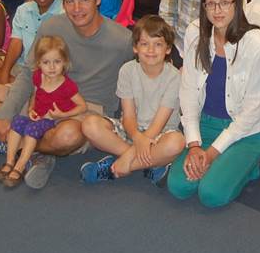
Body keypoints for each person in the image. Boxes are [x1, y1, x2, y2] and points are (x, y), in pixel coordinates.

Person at [0, 0, 135, 189]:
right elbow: (29, 73)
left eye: (84, 0)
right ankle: (38, 154)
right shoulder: (51, 27)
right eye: (69, 1)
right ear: (63, 2)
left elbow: (141, 81)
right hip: (43, 101)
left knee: (67, 136)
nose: (77, 9)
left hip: (85, 112)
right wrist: (5, 114)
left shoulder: (123, 40)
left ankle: (17, 145)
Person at [168, 0, 260, 208]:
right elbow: (189, 94)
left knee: (211, 195)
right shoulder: (196, 33)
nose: (217, 10)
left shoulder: (255, 43)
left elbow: (252, 112)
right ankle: (228, 164)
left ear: (237, 4)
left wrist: (212, 154)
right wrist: (194, 145)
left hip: (247, 132)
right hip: (206, 124)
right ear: (204, 6)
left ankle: (249, 165)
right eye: (211, 3)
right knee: (179, 187)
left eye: (225, 2)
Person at [79, 15, 185, 185]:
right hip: (132, 130)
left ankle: (115, 169)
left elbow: (159, 124)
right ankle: (150, 164)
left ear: (167, 49)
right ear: (135, 47)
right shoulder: (127, 71)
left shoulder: (174, 77)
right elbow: (128, 115)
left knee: (176, 143)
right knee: (89, 124)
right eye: (144, 44)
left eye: (158, 44)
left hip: (160, 133)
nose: (151, 50)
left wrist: (129, 158)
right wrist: (137, 140)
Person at [0, 35, 87, 187]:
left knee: (31, 129)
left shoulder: (67, 85)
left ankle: (20, 166)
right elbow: (36, 92)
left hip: (52, 120)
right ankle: (9, 160)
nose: (51, 67)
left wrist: (62, 114)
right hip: (37, 116)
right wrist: (32, 108)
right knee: (17, 122)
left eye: (57, 62)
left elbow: (82, 106)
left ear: (64, 62)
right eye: (46, 62)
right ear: (39, 63)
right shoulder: (38, 76)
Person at [0, 0, 64, 88]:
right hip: (23, 67)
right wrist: (4, 74)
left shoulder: (64, 14)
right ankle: (21, 91)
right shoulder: (23, 10)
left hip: (48, 72)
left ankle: (19, 92)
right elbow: (15, 44)